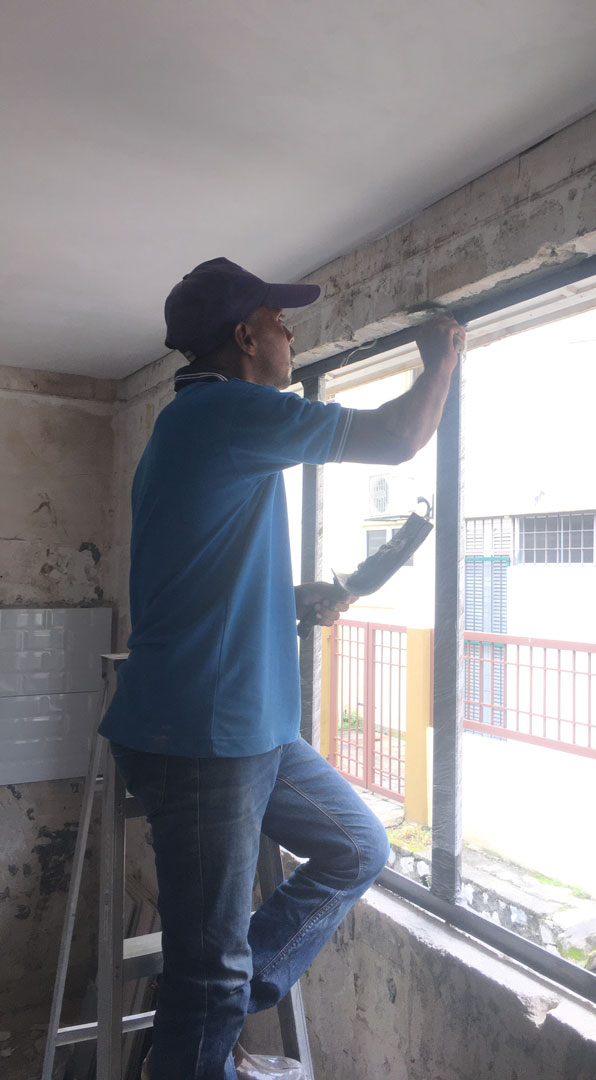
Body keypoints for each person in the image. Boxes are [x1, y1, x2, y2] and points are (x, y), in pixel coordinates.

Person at [99, 257, 464, 1080]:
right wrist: (441, 360)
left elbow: (198, 577)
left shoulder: (198, 428)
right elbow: (400, 437)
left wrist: (290, 598)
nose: (290, 335)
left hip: (246, 730)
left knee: (357, 848)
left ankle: (217, 1007)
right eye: (279, 322)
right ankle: (205, 1021)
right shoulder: (228, 411)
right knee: (206, 969)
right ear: (245, 337)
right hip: (203, 738)